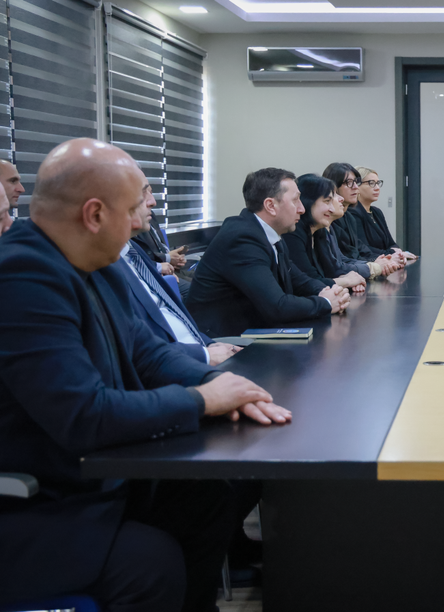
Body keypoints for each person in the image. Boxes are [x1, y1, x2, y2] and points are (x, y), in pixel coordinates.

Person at [0, 138, 292, 612]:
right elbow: (84, 414)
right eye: (134, 208)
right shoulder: (21, 279)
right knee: (151, 564)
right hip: (40, 501)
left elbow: (149, 353)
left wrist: (219, 385)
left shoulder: (99, 260)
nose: (141, 222)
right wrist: (203, 401)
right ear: (95, 214)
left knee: (212, 495)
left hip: (95, 480)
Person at [186, 167, 350, 337]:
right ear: (271, 206)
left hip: (255, 330)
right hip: (224, 341)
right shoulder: (243, 239)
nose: (302, 209)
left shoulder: (270, 234)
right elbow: (278, 306)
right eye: (295, 201)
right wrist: (326, 302)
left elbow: (298, 280)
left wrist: (329, 291)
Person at [114, 175, 241, 366]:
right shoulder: (101, 270)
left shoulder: (133, 251)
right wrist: (205, 356)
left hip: (196, 356)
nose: (153, 201)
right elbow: (137, 351)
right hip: (176, 368)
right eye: (143, 193)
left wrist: (211, 346)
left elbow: (177, 320)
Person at [281, 173, 367, 293]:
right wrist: (345, 281)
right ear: (307, 202)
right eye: (327, 201)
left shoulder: (319, 231)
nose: (332, 209)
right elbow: (308, 282)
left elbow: (331, 270)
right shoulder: (293, 233)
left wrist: (351, 280)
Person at [322, 162, 401, 271]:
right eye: (349, 183)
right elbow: (346, 257)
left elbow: (361, 250)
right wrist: (377, 263)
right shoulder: (332, 220)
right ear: (333, 187)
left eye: (356, 182)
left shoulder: (349, 217)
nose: (356, 187)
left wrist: (387, 258)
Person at [348, 166, 417, 262]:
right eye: (371, 183)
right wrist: (392, 253)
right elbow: (363, 249)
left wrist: (397, 252)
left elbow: (391, 243)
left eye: (378, 183)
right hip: (371, 262)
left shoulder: (377, 212)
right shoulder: (352, 213)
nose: (377, 188)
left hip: (387, 261)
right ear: (357, 186)